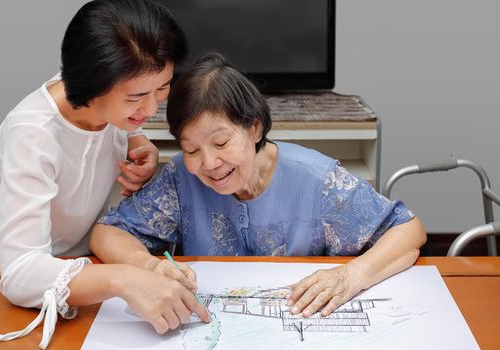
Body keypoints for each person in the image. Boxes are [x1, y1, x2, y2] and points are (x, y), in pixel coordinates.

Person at [90, 52, 427, 320]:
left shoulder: (317, 180)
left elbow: (407, 230)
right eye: (191, 149)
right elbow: (106, 234)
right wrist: (148, 266)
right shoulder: (181, 177)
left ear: (253, 128)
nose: (208, 163)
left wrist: (349, 277)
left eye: (221, 143)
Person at [0, 1, 209, 348]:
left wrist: (137, 138)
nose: (151, 108)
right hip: (7, 270)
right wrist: (125, 279)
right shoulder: (33, 134)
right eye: (137, 97)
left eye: (163, 87)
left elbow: (117, 120)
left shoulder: (100, 98)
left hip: (85, 261)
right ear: (94, 84)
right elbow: (20, 273)